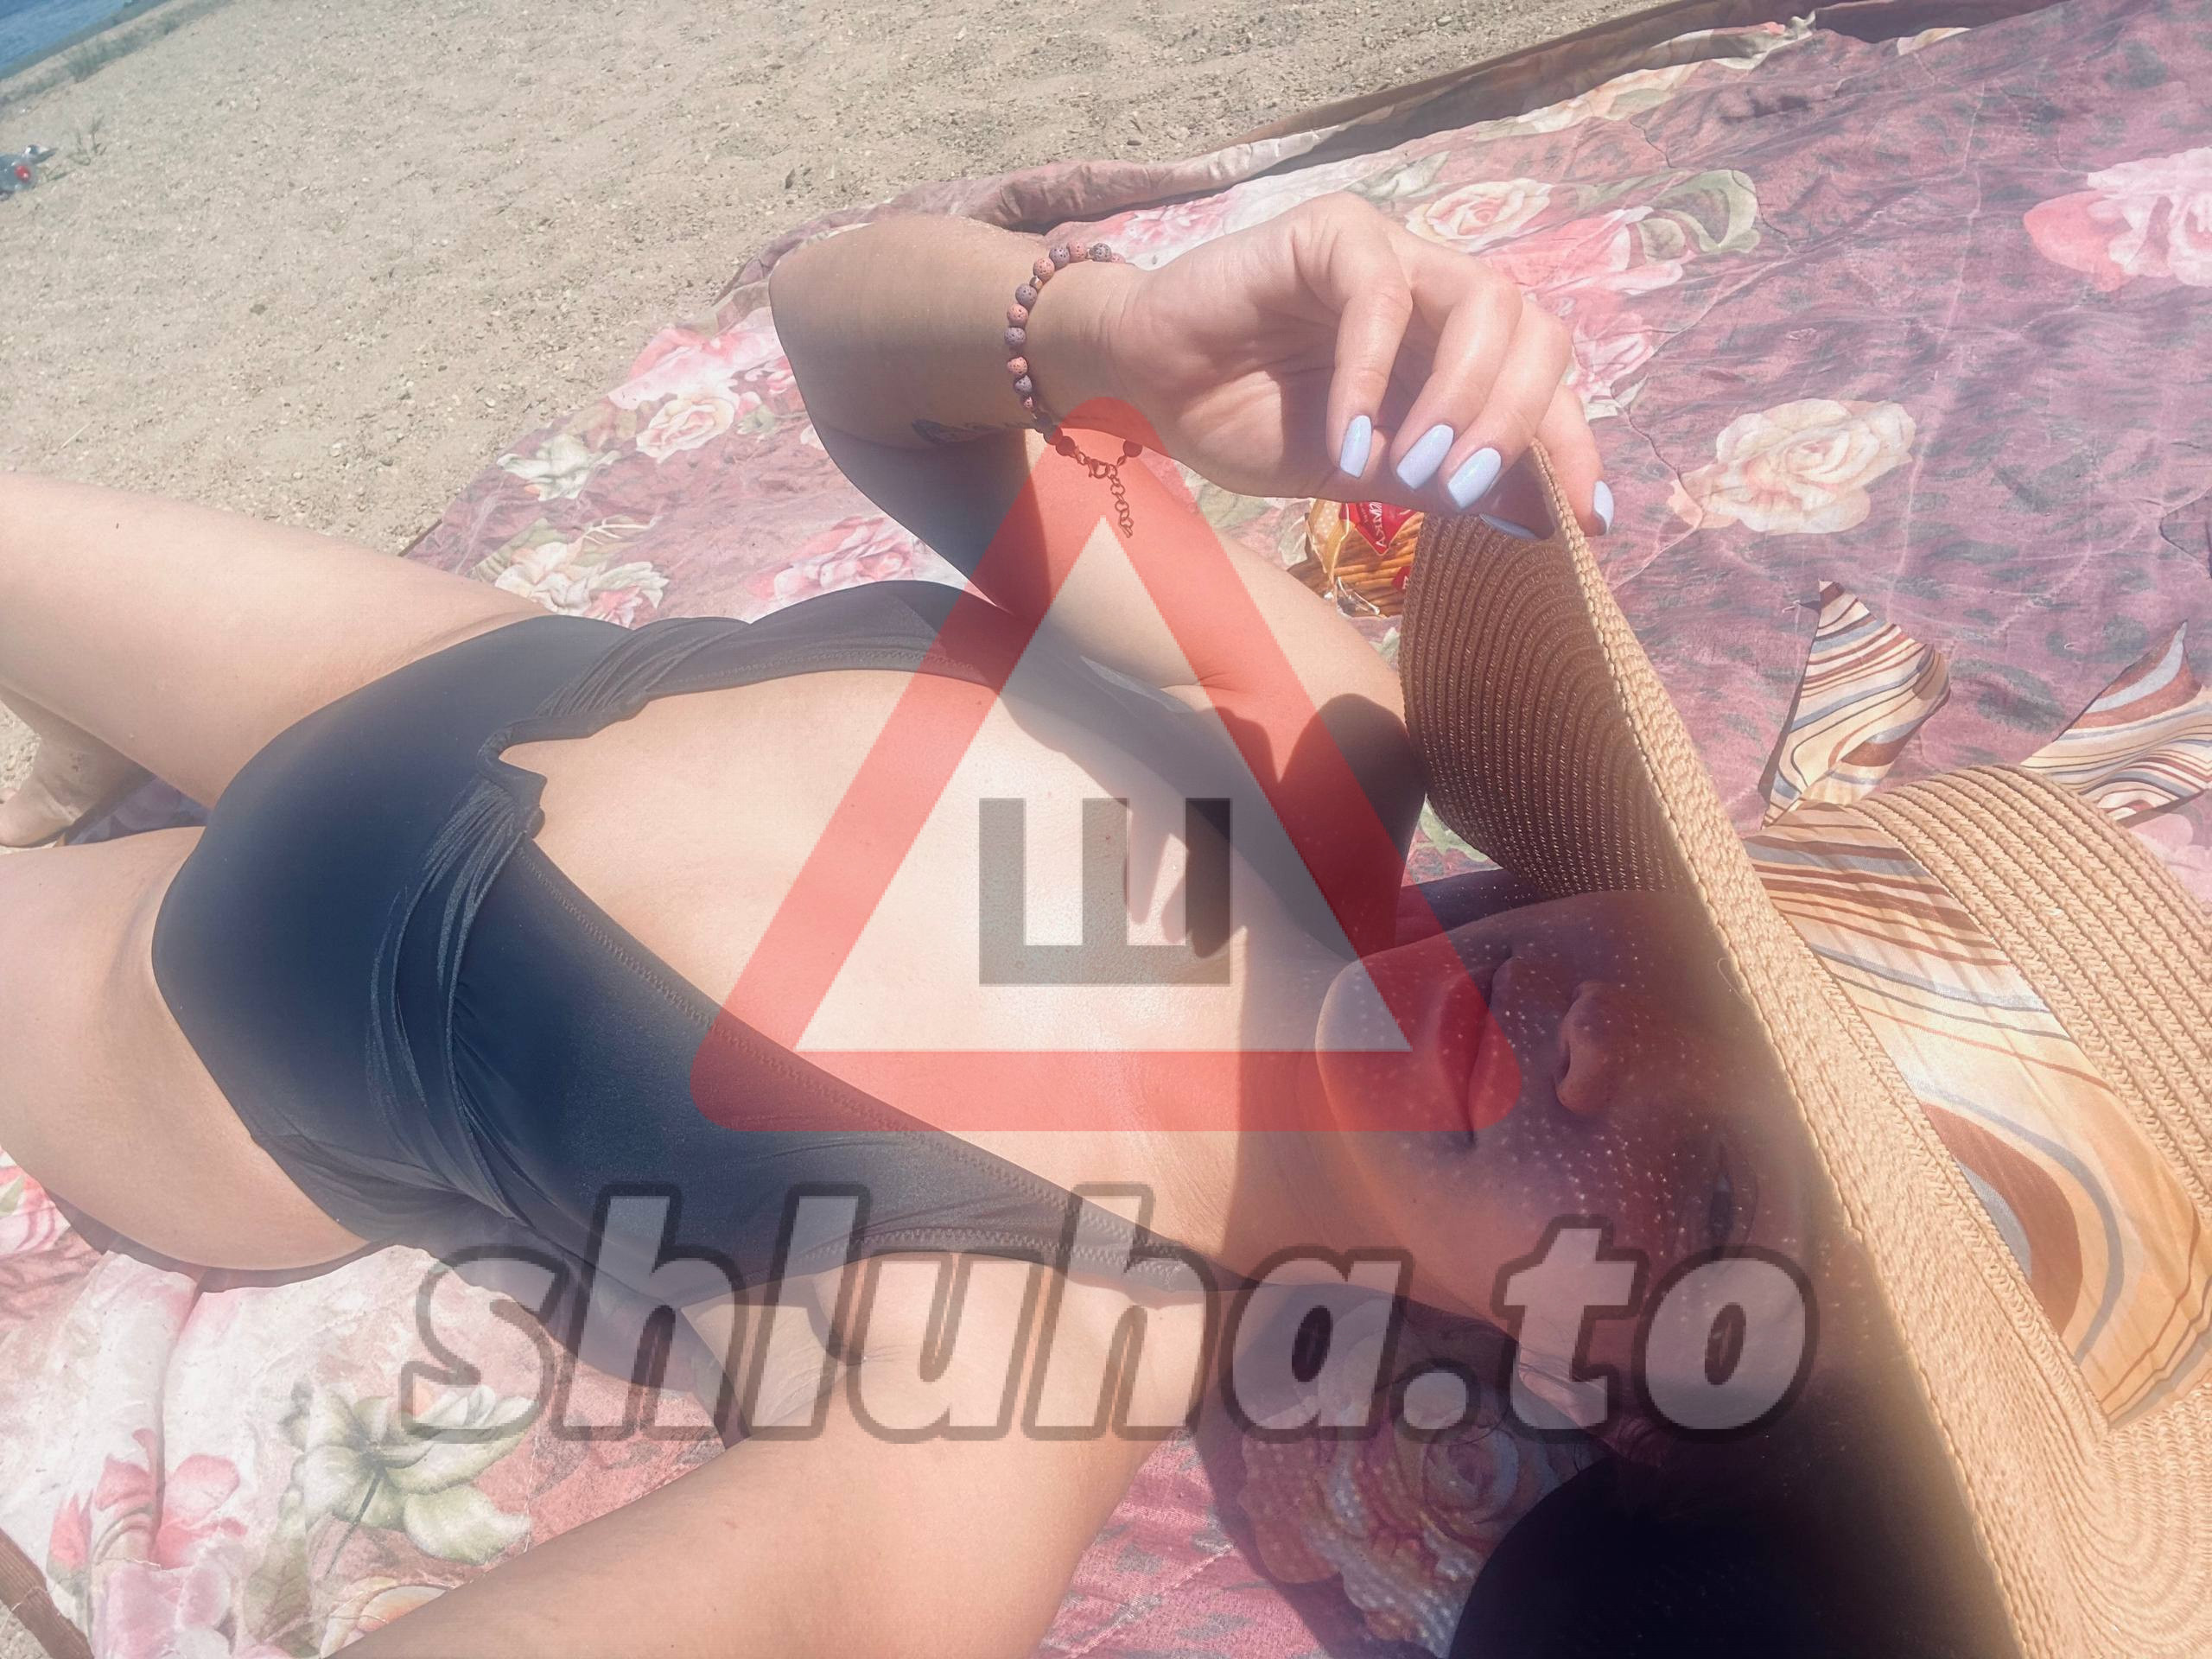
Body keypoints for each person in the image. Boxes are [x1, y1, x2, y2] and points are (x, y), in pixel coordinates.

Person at [3, 190, 2202, 1654]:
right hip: (478, 660)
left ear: (1634, 1388)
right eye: (1722, 968)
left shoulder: (1036, 1341)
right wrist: (1107, 332)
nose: (1595, 1037)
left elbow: (817, 1596)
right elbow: (846, 339)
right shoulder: (1322, 741)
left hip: (222, 1010)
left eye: (1713, 1191)